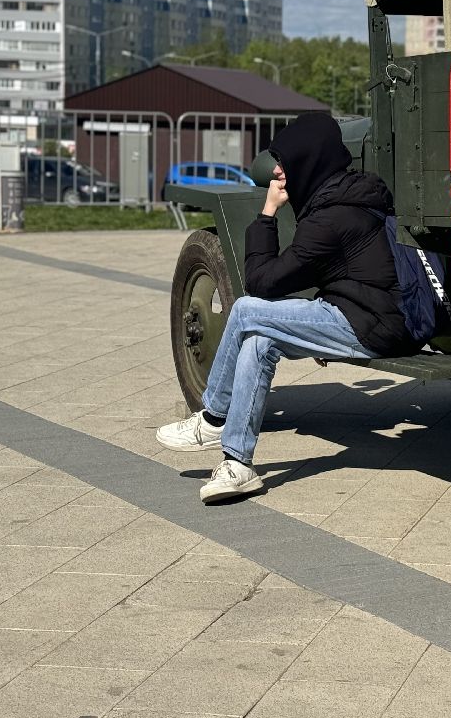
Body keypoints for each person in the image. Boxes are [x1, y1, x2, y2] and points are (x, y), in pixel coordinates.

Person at [156, 112, 413, 503]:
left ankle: (212, 419)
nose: (277, 169)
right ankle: (238, 465)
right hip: (359, 312)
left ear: (308, 161)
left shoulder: (330, 218)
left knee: (245, 311)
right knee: (259, 342)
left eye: (286, 160)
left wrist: (267, 212)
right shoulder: (347, 195)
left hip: (370, 324)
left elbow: (261, 282)